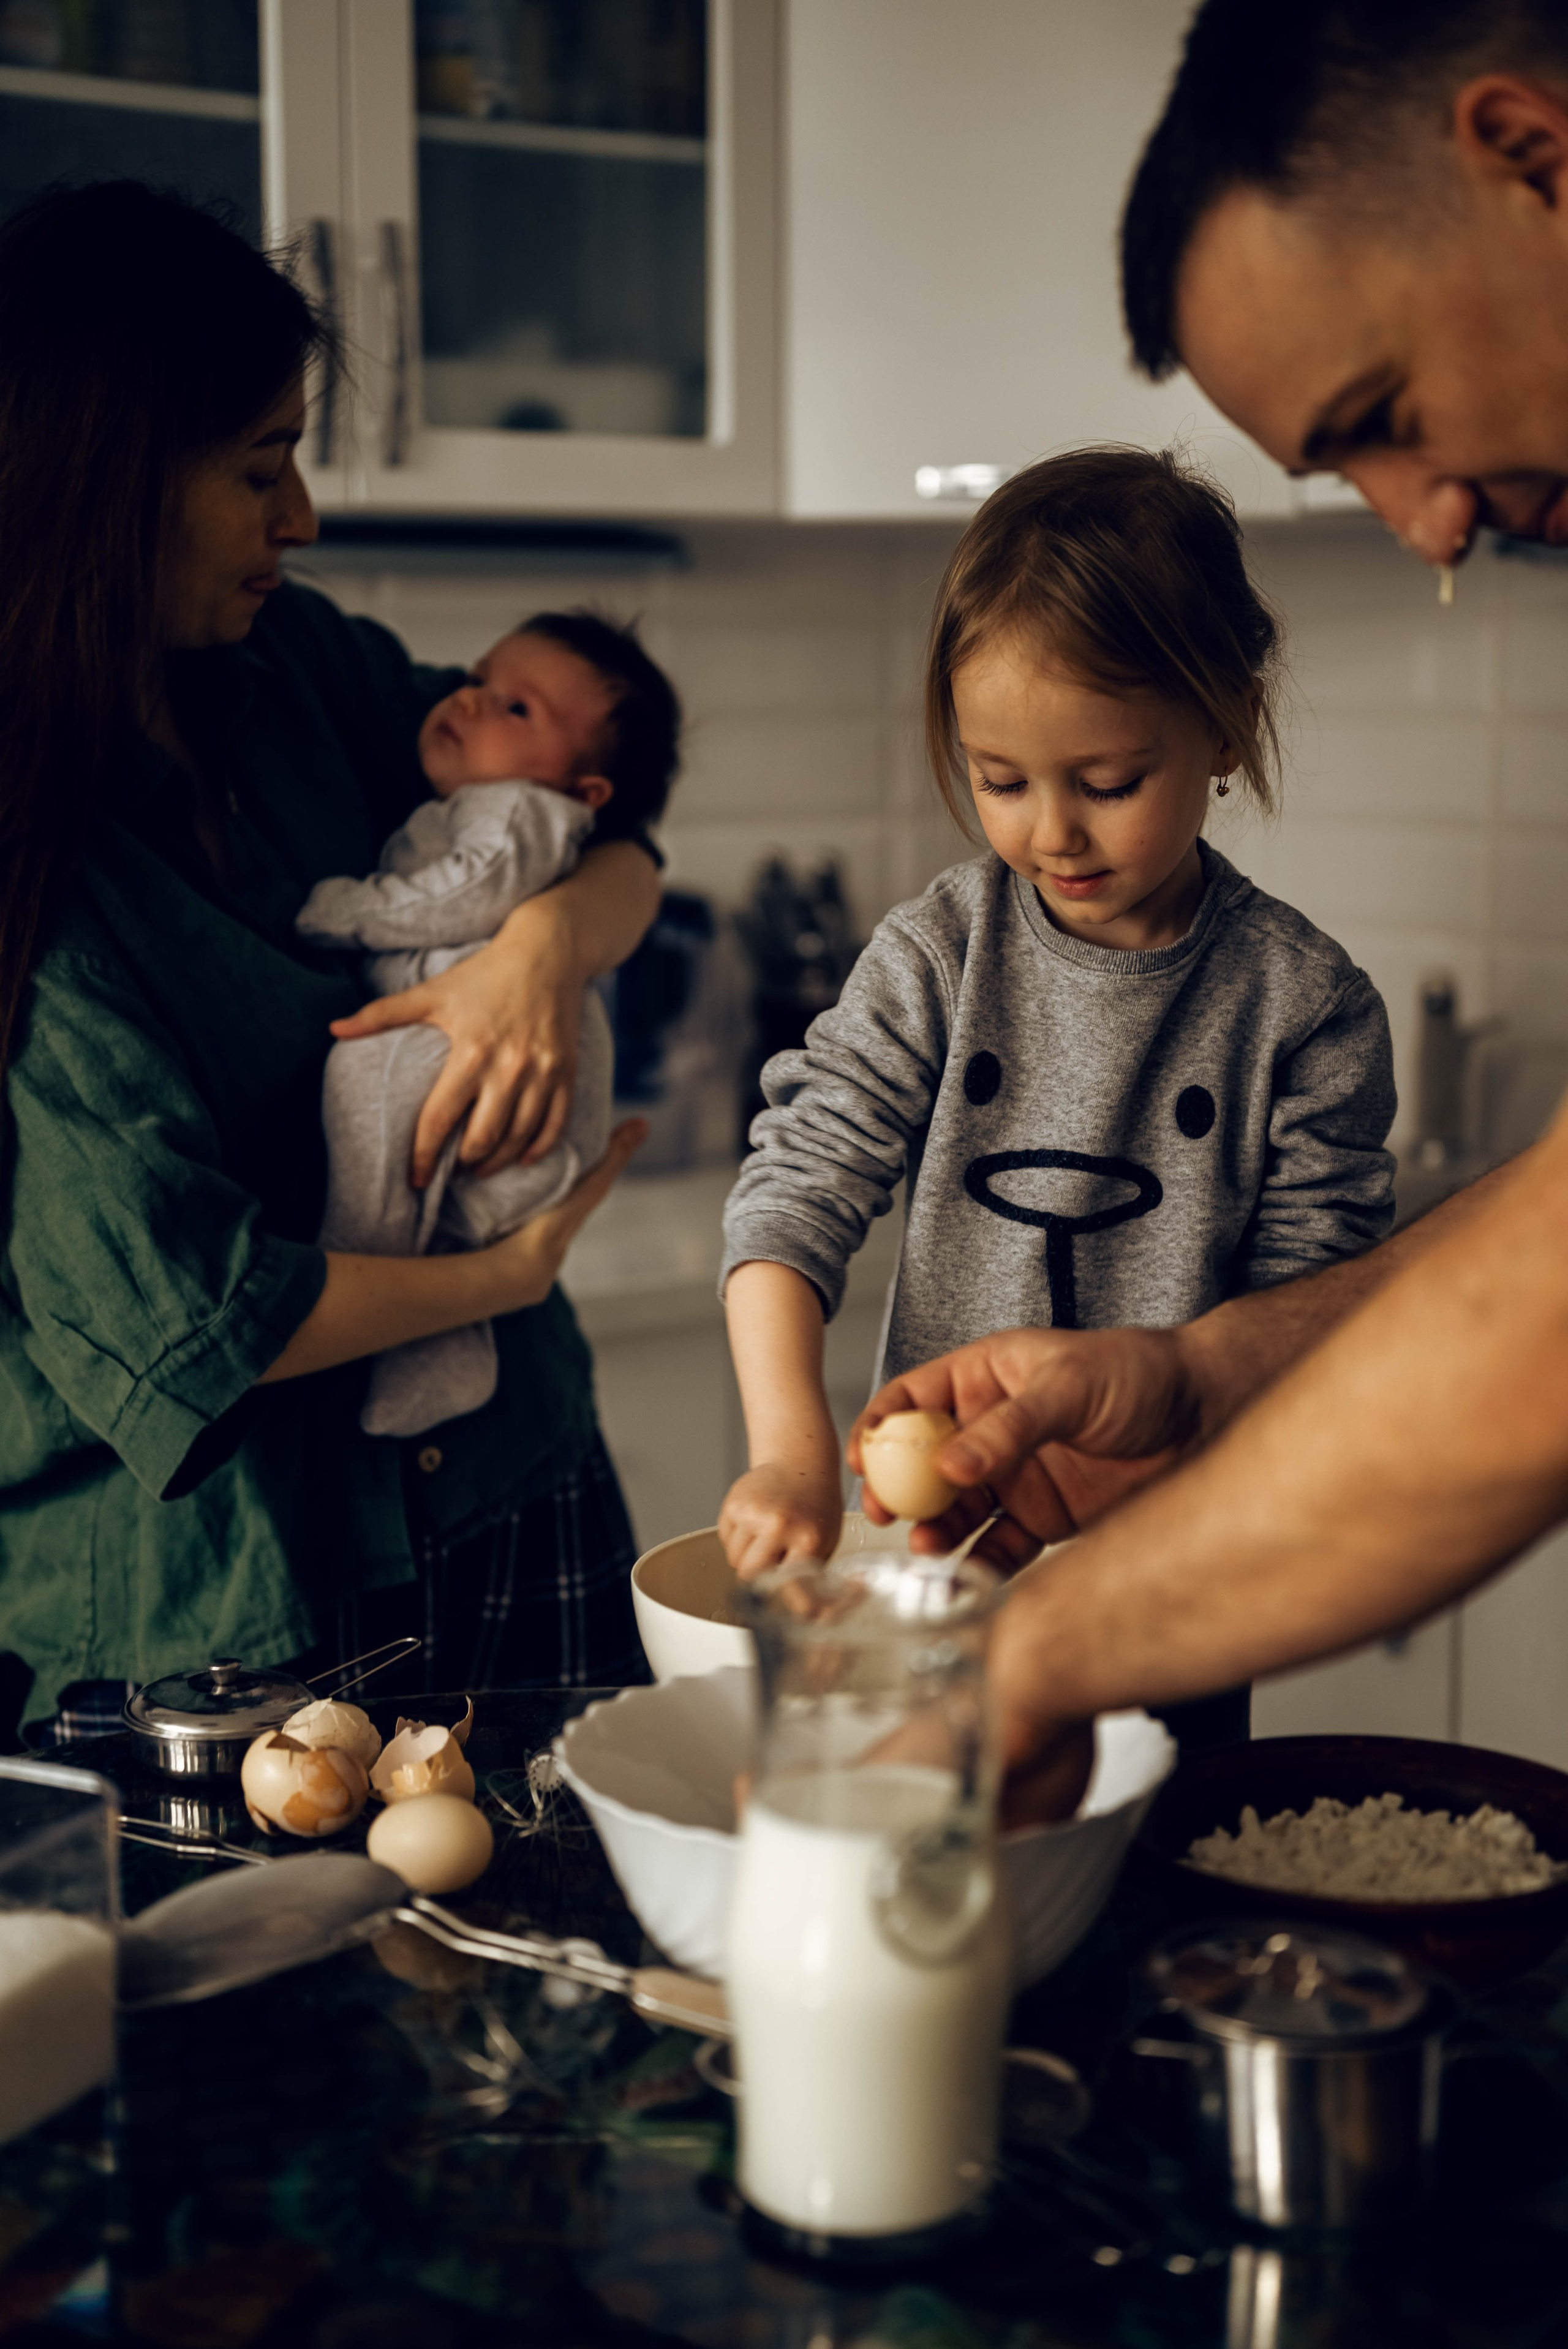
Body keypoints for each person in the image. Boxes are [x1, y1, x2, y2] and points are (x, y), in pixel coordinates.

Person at [849, 0, 1568, 1814]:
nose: (1428, 525)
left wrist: (1031, 1654)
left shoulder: (1289, 993)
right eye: (1353, 473)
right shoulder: (951, 944)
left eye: (1386, 415)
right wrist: (1188, 1372)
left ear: (1534, 161)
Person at [0, 182, 661, 1743]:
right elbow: (191, 1322)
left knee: (574, 1970)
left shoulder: (293, 666)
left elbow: (599, 814)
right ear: (102, 487)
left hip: (506, 1478)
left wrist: (544, 951)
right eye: (259, 467)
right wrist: (500, 1275)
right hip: (218, 1618)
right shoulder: (39, 857)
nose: (298, 519)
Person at [718, 448, 1397, 1746]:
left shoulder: (1301, 1005)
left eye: (1103, 783)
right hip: (928, 1579)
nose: (1049, 835)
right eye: (998, 779)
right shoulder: (938, 958)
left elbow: (1311, 1335)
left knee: (1151, 1887)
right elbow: (789, 1200)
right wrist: (792, 1453)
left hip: (1173, 1589)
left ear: (1226, 725)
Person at [296, 613, 680, 1440]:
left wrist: (345, 912)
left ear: (586, 794)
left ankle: (358, 1264)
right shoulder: (494, 797)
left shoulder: (515, 814)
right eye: (478, 679)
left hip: (503, 1126)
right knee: (437, 1254)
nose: (468, 702)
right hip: (499, 1138)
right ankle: (438, 1353)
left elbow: (462, 895)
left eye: (515, 710)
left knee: (363, 1075)